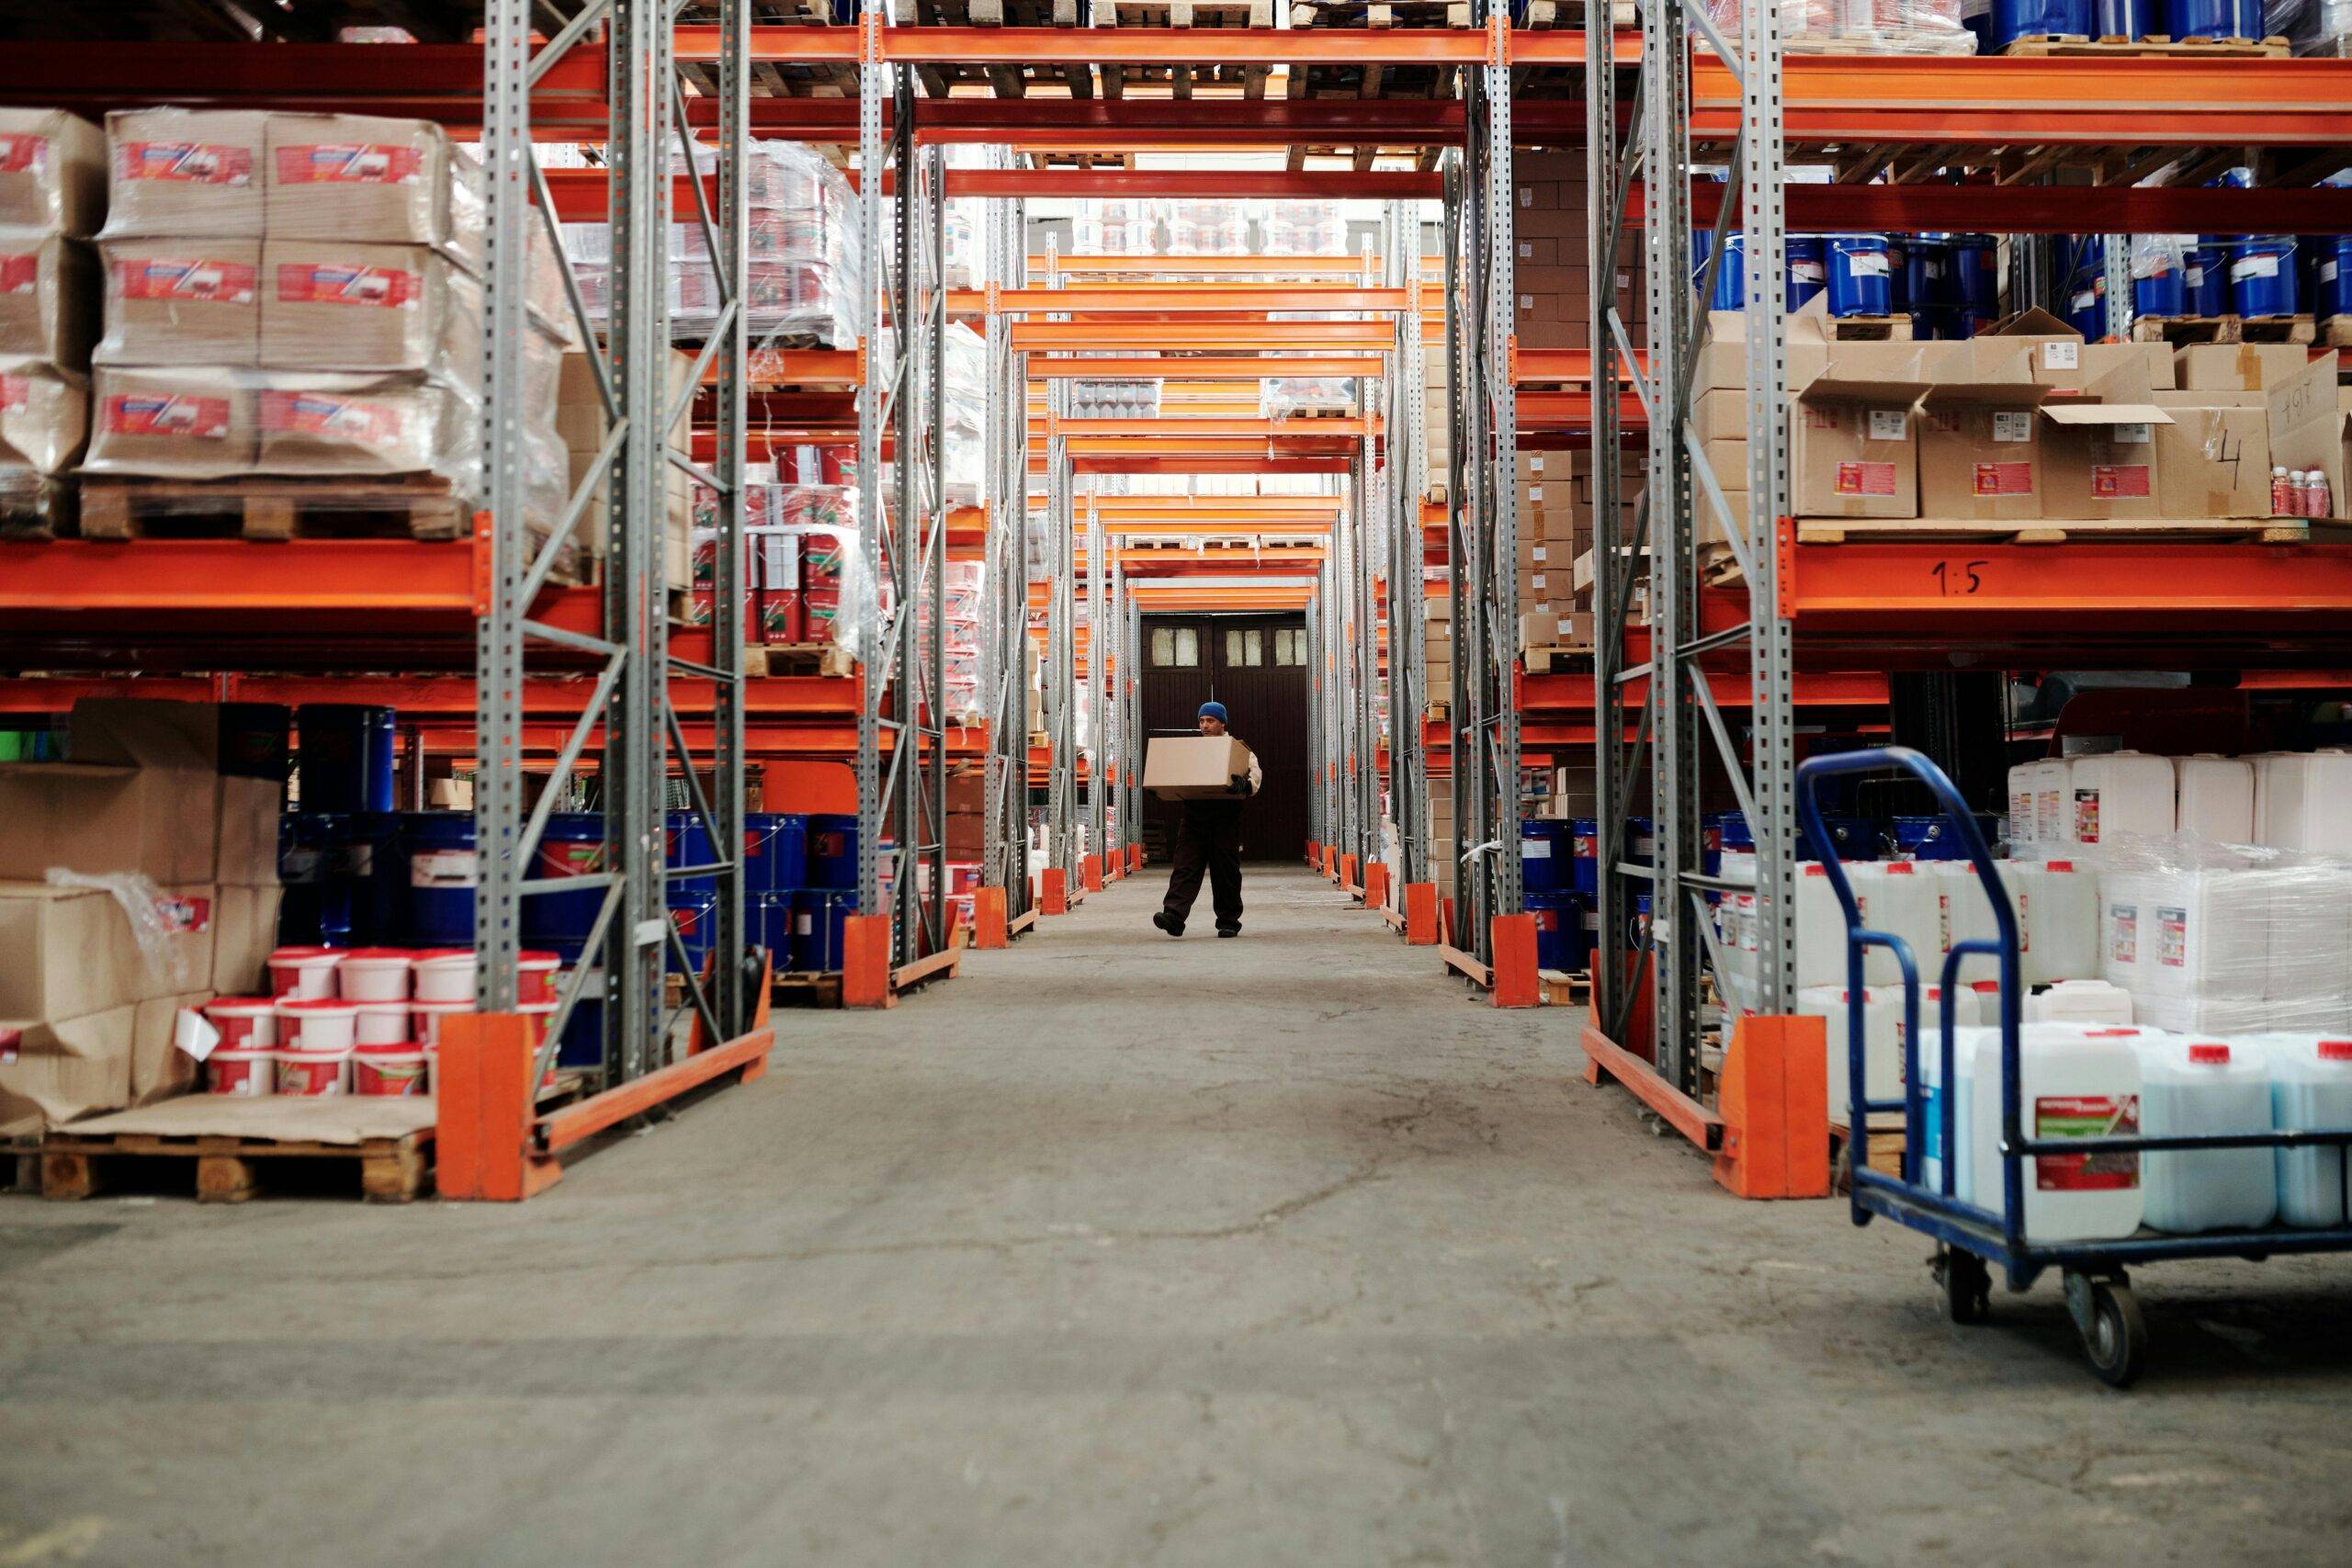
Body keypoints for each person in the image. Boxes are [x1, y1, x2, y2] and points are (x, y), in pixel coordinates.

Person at [1153, 700, 1261, 940]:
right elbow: (1174, 772)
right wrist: (1160, 786)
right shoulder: (1192, 750)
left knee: (1226, 871)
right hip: (1194, 816)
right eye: (1201, 721)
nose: (1205, 725)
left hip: (1225, 816)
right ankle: (1174, 916)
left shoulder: (1238, 748)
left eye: (1210, 721)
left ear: (1222, 722)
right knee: (1185, 867)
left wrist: (1245, 784)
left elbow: (1255, 774)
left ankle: (1228, 921)